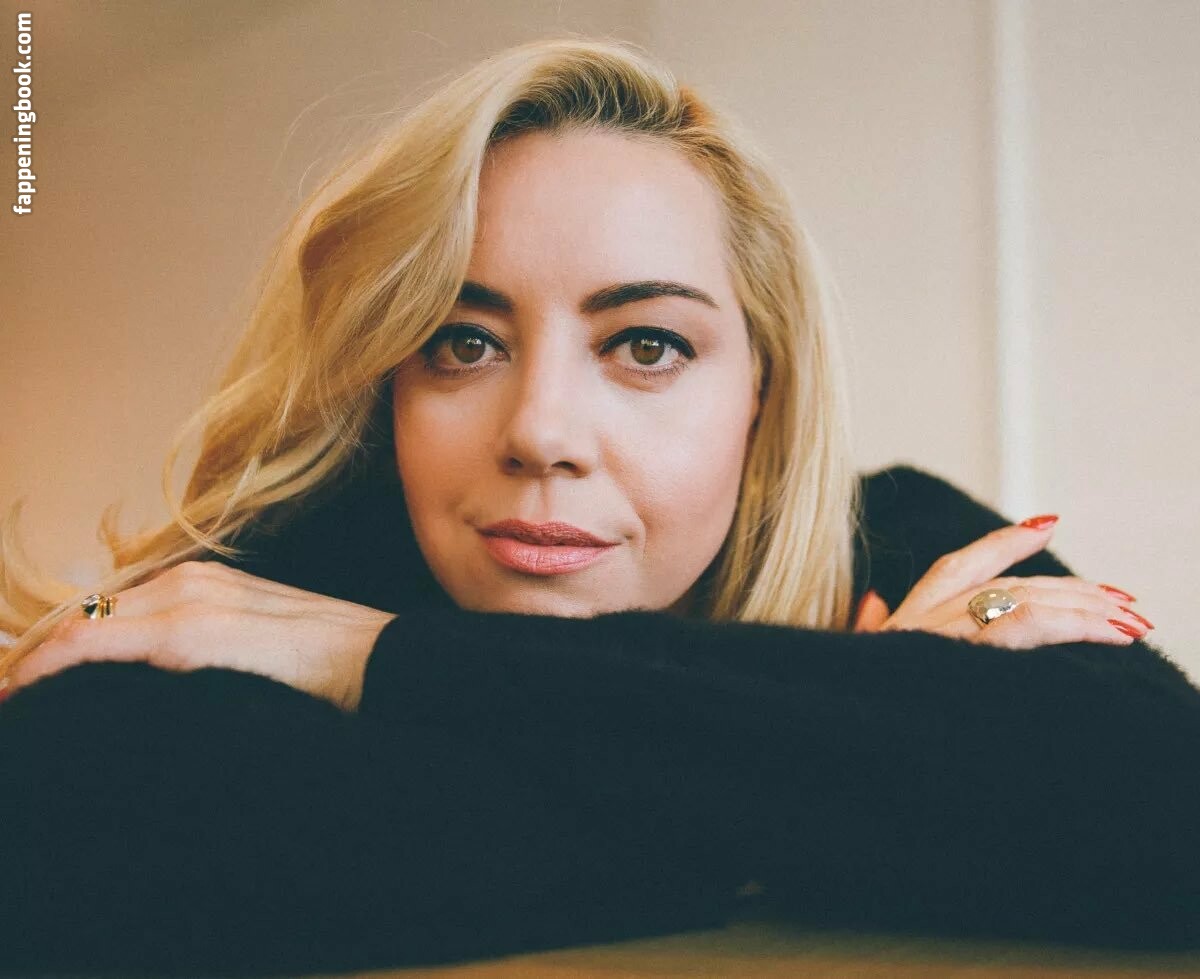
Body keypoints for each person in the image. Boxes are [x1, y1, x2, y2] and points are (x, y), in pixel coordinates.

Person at [0, 35, 1197, 978]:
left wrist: (373, 657)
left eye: (646, 344)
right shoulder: (297, 561)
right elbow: (67, 842)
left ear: (761, 388)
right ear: (389, 384)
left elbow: (1166, 817)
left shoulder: (892, 539)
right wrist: (862, 745)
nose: (542, 431)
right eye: (462, 341)